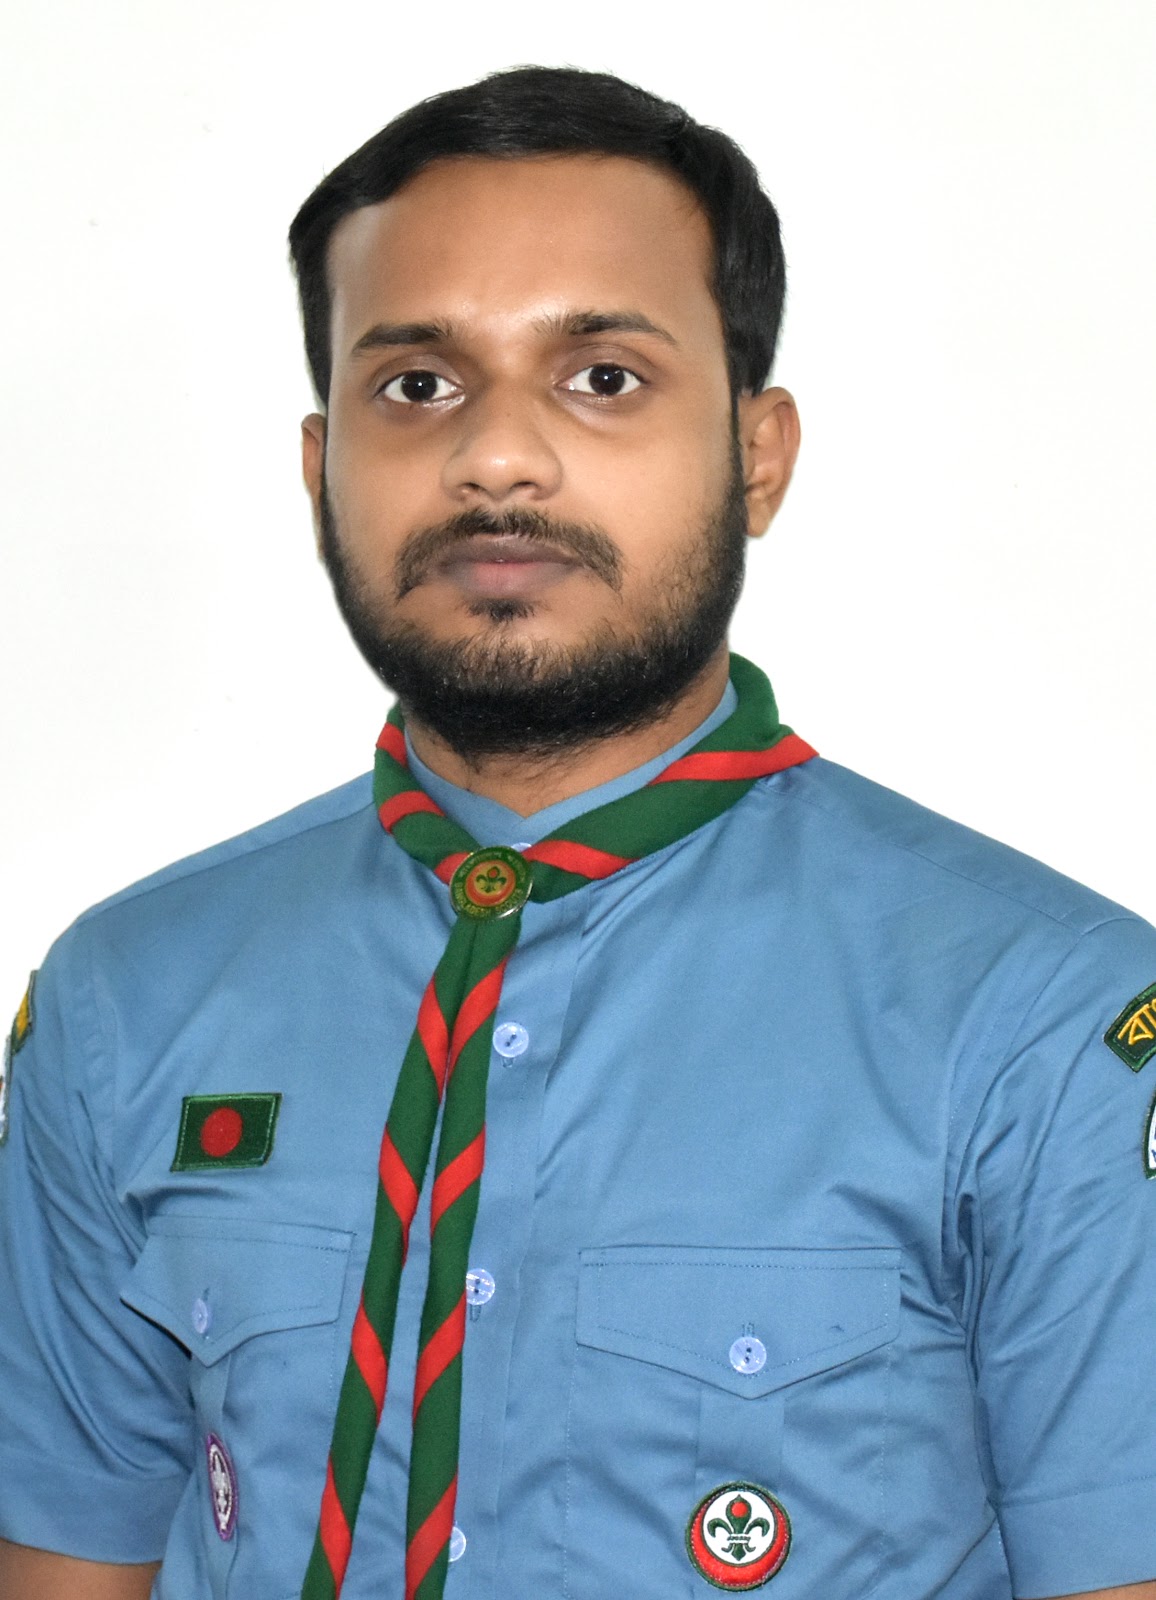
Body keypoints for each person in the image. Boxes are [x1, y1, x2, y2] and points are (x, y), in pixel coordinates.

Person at [1, 64, 1155, 1600]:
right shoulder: (122, 1001)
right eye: (418, 385)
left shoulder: (1048, 1022)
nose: (497, 457)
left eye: (603, 376)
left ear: (758, 455)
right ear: (322, 471)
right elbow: (68, 1559)